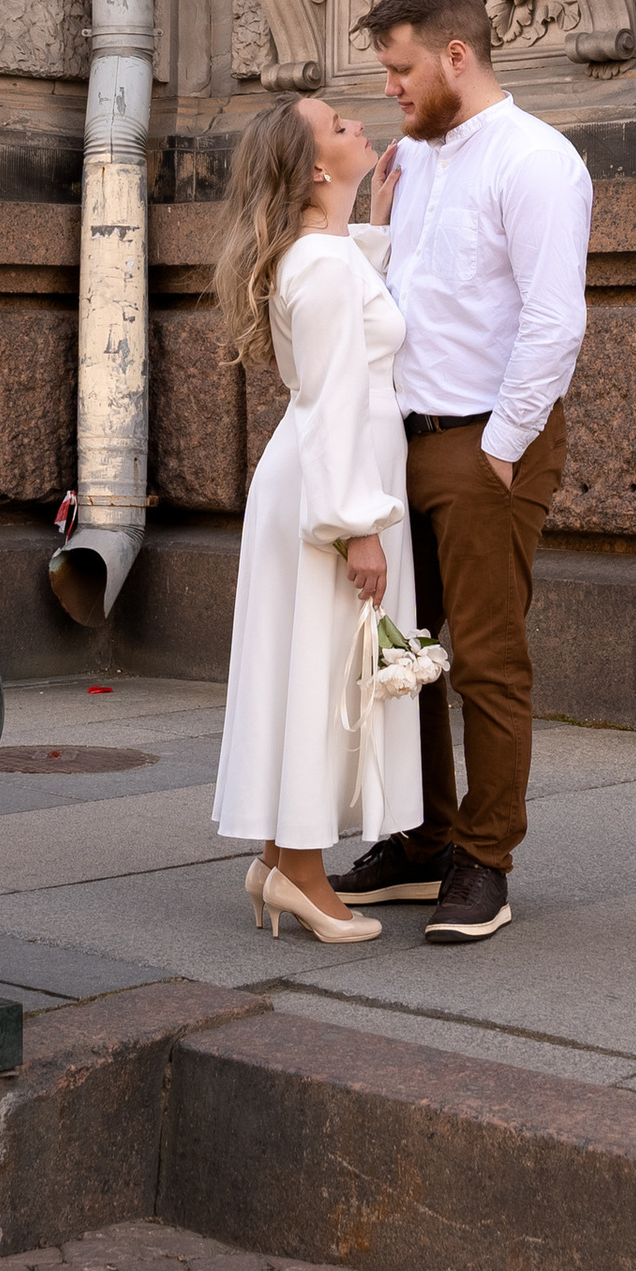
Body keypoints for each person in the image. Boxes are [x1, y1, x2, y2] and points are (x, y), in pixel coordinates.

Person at [334, 0, 592, 947]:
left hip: (487, 444)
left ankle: (485, 858)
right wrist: (371, 205)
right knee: (406, 657)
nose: (390, 87)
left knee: (484, 661)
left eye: (401, 69)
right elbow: (382, 297)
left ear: (456, 55)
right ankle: (422, 839)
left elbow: (553, 320)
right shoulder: (412, 160)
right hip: (400, 442)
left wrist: (500, 448)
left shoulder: (535, 161)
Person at [209, 90, 421, 945]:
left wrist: (372, 219)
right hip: (329, 490)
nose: (359, 123)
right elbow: (337, 396)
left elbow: (338, 293)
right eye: (340, 127)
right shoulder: (322, 267)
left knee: (302, 667)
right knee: (322, 676)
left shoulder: (319, 254)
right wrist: (357, 525)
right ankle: (299, 871)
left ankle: (279, 855)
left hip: (309, 480)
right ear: (314, 168)